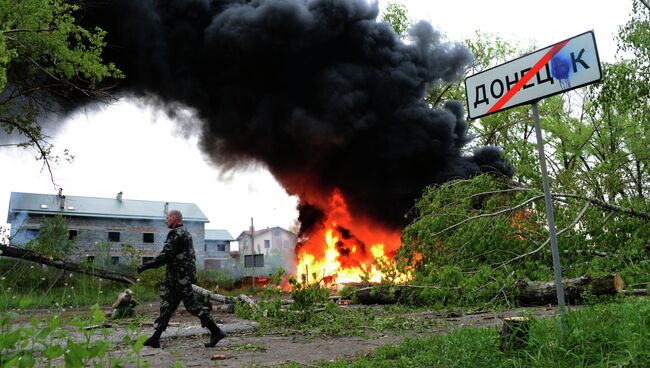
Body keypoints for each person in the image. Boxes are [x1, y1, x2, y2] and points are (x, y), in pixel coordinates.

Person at [137, 209, 226, 348]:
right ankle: (155, 338)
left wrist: (145, 266)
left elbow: (165, 256)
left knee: (192, 306)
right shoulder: (185, 232)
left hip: (179, 278)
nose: (166, 220)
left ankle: (216, 331)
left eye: (167, 218)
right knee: (167, 307)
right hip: (179, 278)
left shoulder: (176, 233)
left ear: (174, 218)